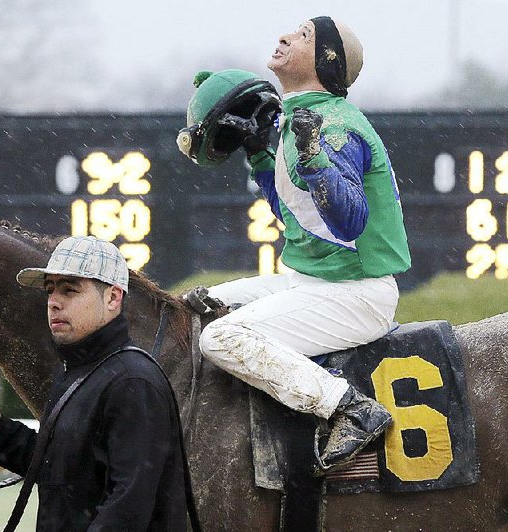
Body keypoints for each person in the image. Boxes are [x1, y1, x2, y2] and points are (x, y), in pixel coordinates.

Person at [178, 17, 411, 473]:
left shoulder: (334, 124)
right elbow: (294, 216)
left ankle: (349, 409)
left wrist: (313, 156)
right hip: (309, 284)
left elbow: (348, 223)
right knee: (194, 306)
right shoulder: (296, 121)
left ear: (326, 60)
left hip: (357, 295)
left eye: (303, 35)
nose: (284, 36)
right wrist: (263, 160)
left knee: (220, 338)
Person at [0, 235, 189, 531]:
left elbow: (128, 508)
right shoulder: (81, 371)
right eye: (50, 289)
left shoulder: (133, 381)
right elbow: (63, 469)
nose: (54, 302)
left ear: (113, 298)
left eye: (70, 290)